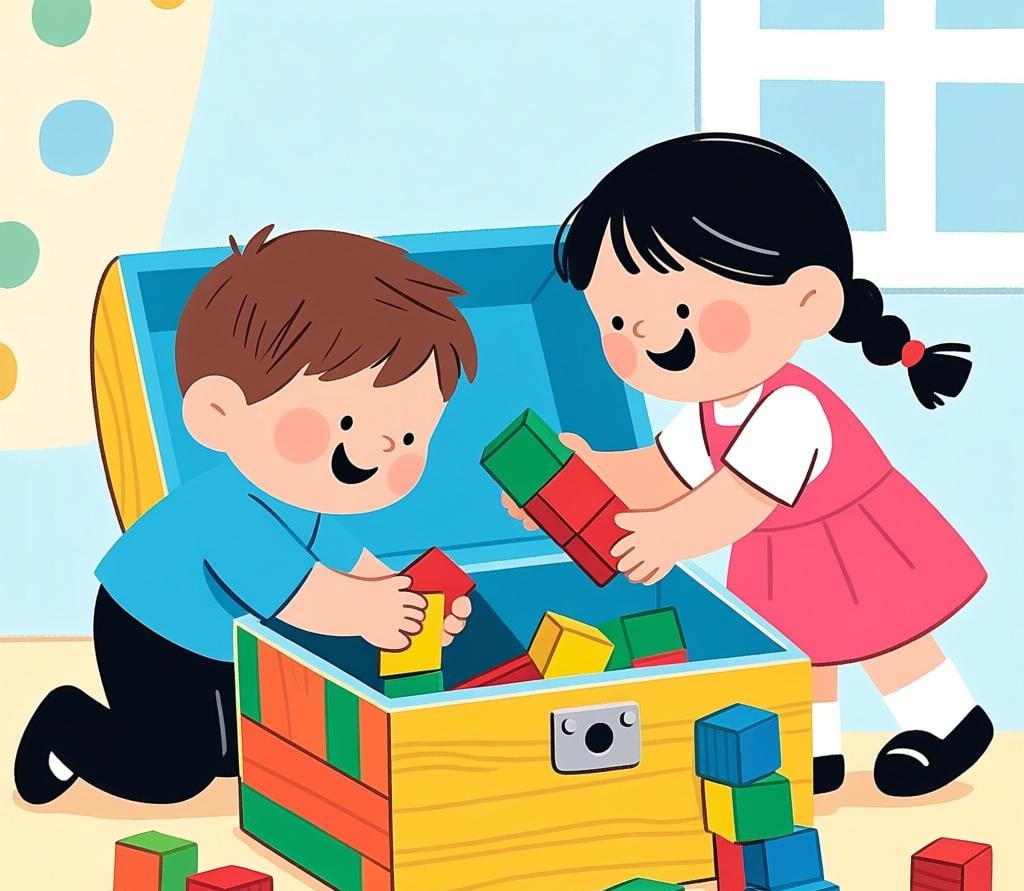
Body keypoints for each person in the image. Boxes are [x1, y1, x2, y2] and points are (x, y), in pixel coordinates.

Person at [505, 134, 991, 798]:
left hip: (856, 543)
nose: (642, 334)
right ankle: (812, 747)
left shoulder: (792, 407)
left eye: (678, 309)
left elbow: (734, 501)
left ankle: (947, 724)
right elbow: (663, 473)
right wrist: (580, 475)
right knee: (802, 648)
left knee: (887, 635)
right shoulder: (710, 411)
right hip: (784, 558)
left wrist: (669, 537)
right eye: (617, 320)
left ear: (808, 302)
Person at [15, 226, 476, 804]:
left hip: (222, 636)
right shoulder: (227, 512)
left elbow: (354, 568)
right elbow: (310, 597)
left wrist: (410, 598)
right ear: (219, 413)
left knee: (255, 746)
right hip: (152, 629)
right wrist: (375, 610)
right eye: (350, 423)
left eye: (409, 435)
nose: (385, 448)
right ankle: (68, 726)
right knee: (176, 770)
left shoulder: (304, 500)